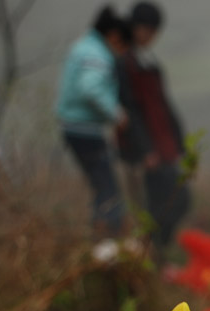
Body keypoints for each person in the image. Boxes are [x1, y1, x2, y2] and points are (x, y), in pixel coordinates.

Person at [117, 1, 189, 250]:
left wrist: (182, 145)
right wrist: (146, 150)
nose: (151, 37)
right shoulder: (123, 63)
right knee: (147, 207)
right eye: (147, 30)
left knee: (180, 200)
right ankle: (149, 254)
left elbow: (164, 106)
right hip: (142, 152)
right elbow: (129, 111)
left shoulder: (150, 62)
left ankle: (157, 249)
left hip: (165, 148)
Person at [56, 6, 130, 236]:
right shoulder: (96, 54)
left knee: (101, 188)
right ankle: (107, 243)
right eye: (121, 46)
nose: (120, 52)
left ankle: (102, 240)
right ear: (114, 36)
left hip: (75, 127)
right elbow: (90, 88)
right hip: (84, 129)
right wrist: (116, 114)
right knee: (108, 191)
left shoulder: (84, 46)